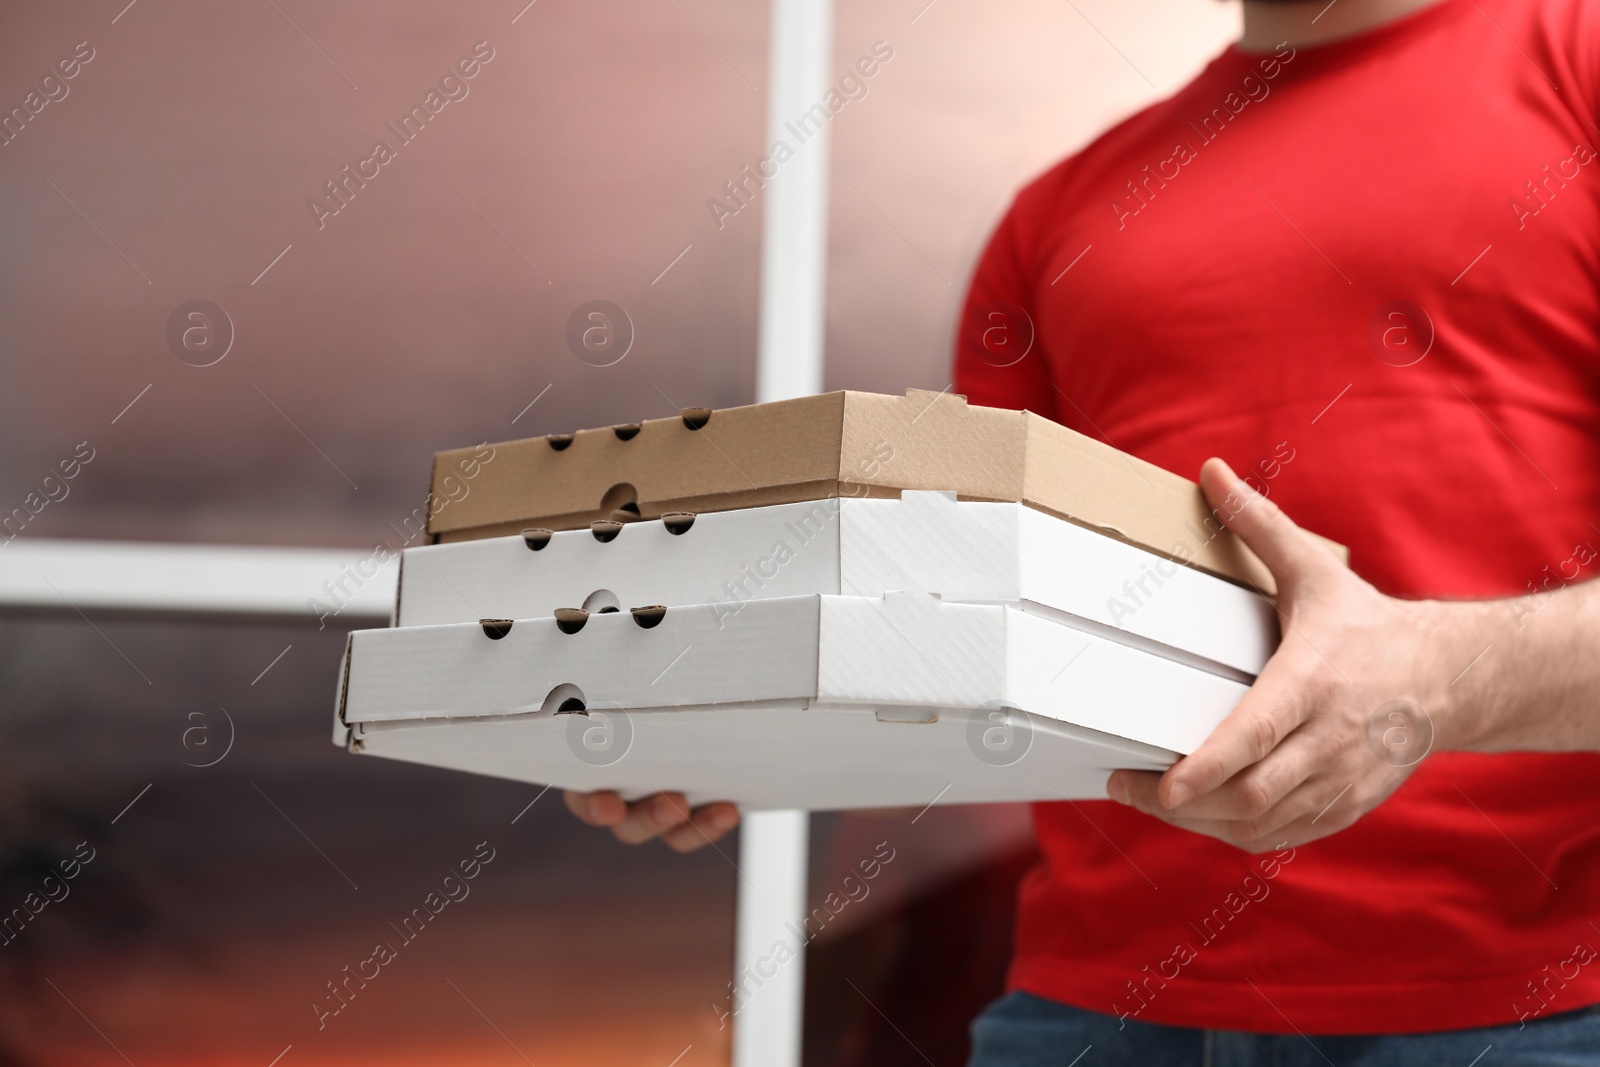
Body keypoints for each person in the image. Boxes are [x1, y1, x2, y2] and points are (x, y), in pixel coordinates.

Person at [565, 0, 1600, 1060]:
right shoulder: (1061, 213)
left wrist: (1430, 676)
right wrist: (728, 723)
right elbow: (977, 625)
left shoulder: (1576, 60)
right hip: (1090, 1014)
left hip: (1535, 1009)